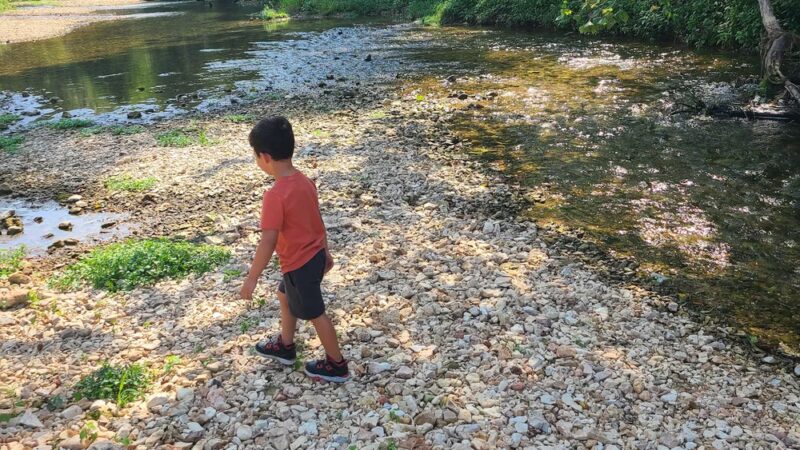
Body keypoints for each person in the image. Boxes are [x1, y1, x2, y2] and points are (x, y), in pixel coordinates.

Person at [239, 116, 349, 383]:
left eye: (255, 156)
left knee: (316, 313)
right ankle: (286, 346)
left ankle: (337, 365)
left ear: (265, 157)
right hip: (312, 257)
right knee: (284, 295)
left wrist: (252, 278)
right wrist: (325, 251)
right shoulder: (305, 182)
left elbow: (268, 240)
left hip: (300, 264)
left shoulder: (275, 196)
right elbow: (317, 220)